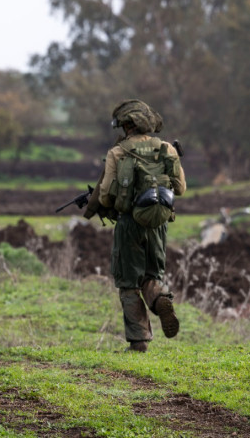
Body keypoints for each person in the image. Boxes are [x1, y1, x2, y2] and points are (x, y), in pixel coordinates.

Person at [83, 99, 185, 352]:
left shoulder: (118, 152)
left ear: (127, 125)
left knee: (128, 282)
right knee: (151, 275)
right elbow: (180, 188)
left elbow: (105, 195)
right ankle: (160, 298)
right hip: (159, 223)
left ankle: (139, 340)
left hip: (129, 224)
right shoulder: (167, 149)